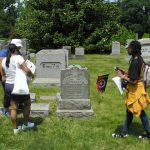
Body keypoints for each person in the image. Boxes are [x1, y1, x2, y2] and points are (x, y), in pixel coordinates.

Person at [112, 40, 150, 139]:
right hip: (138, 88)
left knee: (140, 112)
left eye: (129, 48)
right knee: (130, 111)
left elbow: (133, 81)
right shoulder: (138, 59)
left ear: (133, 49)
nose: (128, 49)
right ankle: (124, 132)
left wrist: (122, 76)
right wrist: (125, 72)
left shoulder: (136, 62)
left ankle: (148, 133)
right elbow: (135, 74)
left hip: (136, 90)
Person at [1, 43, 34, 135]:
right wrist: (32, 74)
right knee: (27, 104)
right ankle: (26, 124)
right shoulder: (18, 58)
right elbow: (27, 70)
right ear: (15, 50)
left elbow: (3, 73)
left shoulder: (4, 60)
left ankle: (15, 129)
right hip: (18, 86)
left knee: (13, 107)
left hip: (8, 86)